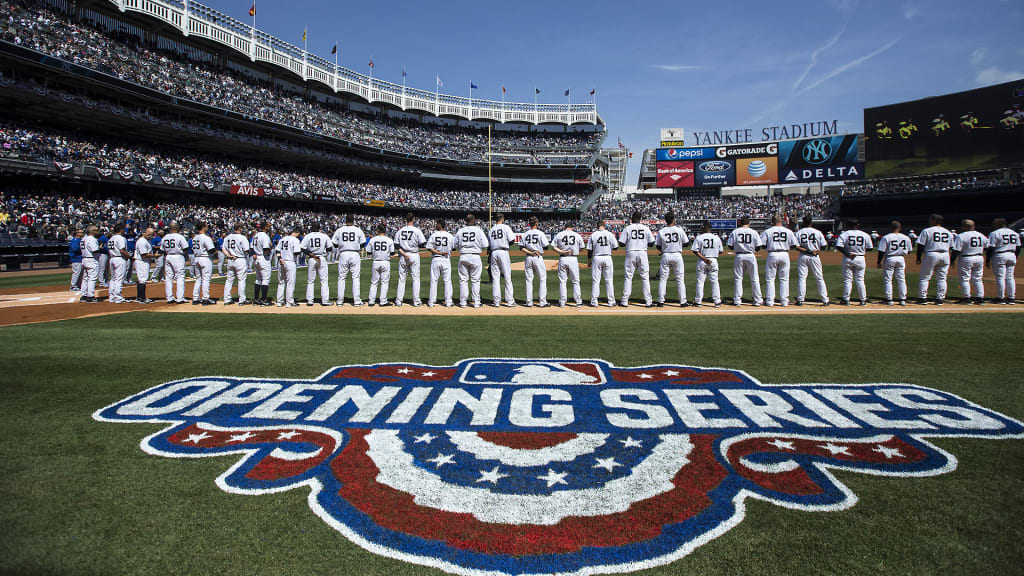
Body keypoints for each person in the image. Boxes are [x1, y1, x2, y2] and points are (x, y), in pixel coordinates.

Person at [619, 212, 655, 307]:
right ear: (640, 218)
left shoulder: (628, 228)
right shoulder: (646, 228)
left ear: (632, 218)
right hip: (642, 253)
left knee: (628, 277)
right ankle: (648, 301)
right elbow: (652, 243)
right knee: (645, 277)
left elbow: (621, 244)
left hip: (631, 252)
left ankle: (624, 301)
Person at [916, 214, 953, 305]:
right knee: (942, 278)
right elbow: (952, 247)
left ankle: (923, 298)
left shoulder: (927, 231)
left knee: (925, 278)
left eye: (930, 220)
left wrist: (918, 257)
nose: (929, 221)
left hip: (931, 253)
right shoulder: (948, 232)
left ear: (934, 220)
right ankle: (940, 299)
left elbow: (921, 245)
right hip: (945, 254)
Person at [761, 215, 797, 307]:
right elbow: (794, 245)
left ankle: (770, 301)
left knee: (770, 279)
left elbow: (763, 245)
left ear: (772, 222)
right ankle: (784, 301)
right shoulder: (789, 231)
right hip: (784, 253)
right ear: (781, 221)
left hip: (772, 254)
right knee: (784, 279)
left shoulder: (768, 231)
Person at [836, 219, 873, 306]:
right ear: (858, 225)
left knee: (848, 280)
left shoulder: (845, 234)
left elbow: (838, 246)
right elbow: (870, 248)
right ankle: (863, 300)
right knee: (860, 280)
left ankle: (846, 299)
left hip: (848, 258)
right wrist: (861, 250)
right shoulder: (865, 234)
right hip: (860, 257)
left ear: (849, 225)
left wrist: (848, 254)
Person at [454, 213, 488, 308]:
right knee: (475, 280)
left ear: (465, 221)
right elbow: (485, 244)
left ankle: (463, 302)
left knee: (463, 280)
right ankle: (476, 302)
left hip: (464, 255)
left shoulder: (460, 231)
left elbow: (454, 245)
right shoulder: (478, 230)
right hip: (475, 256)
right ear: (474, 220)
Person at [332, 215, 367, 306]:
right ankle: (356, 301)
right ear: (353, 221)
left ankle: (340, 301)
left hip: (343, 253)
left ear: (345, 220)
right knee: (355, 278)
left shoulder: (339, 230)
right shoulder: (358, 230)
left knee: (341, 277)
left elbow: (334, 244)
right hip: (355, 253)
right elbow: (363, 243)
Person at [727, 217, 763, 306]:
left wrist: (738, 247)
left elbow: (730, 246)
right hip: (750, 255)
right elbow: (758, 247)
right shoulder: (753, 232)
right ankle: (757, 300)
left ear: (740, 223)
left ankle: (737, 300)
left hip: (739, 255)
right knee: (754, 278)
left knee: (738, 278)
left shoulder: (735, 231)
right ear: (749, 223)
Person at [656, 213, 689, 307]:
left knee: (663, 279)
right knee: (680, 279)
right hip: (677, 255)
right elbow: (686, 243)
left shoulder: (661, 231)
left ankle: (660, 301)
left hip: (666, 255)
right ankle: (682, 301)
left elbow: (658, 245)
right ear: (673, 220)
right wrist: (676, 245)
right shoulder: (679, 230)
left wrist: (664, 249)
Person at [794, 216, 829, 306]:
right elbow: (824, 246)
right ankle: (825, 299)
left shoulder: (799, 232)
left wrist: (807, 250)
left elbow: (796, 246)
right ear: (811, 223)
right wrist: (815, 250)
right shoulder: (818, 232)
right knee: (819, 278)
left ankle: (800, 300)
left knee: (802, 278)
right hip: (814, 256)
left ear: (803, 223)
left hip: (803, 255)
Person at [951, 219, 988, 305]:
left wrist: (952, 260)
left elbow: (956, 250)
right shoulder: (981, 235)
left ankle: (966, 298)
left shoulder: (962, 235)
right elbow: (987, 246)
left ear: (964, 226)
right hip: (979, 257)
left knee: (964, 278)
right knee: (978, 279)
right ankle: (980, 298)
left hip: (966, 257)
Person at [394, 213, 427, 307]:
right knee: (415, 278)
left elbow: (396, 245)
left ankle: (398, 300)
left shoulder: (400, 231)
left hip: (403, 255)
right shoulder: (417, 230)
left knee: (402, 278)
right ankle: (416, 301)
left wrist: (403, 253)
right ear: (413, 219)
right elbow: (422, 244)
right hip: (414, 254)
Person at [876, 220, 912, 306]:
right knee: (901, 279)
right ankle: (903, 299)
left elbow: (881, 251)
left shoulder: (886, 237)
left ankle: (889, 299)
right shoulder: (906, 237)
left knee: (888, 279)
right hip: (901, 258)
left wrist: (879, 261)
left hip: (889, 258)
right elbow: (909, 251)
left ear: (891, 228)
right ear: (899, 228)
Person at [986, 218, 1020, 305]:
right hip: (1012, 254)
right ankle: (1011, 298)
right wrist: (1015, 256)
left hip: (1000, 255)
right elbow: (1018, 247)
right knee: (1010, 277)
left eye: (995, 224)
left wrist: (988, 259)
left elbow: (991, 248)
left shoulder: (994, 233)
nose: (993, 225)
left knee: (1000, 277)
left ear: (999, 224)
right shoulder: (1014, 233)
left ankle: (1000, 298)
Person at [691, 221, 723, 307]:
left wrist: (705, 259)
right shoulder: (716, 238)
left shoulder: (699, 237)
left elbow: (695, 250)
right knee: (714, 281)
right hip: (713, 260)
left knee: (700, 281)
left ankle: (698, 301)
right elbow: (720, 251)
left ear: (705, 227)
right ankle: (717, 301)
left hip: (702, 260)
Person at [520, 216, 551, 307]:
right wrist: (537, 249)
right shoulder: (540, 233)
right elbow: (546, 246)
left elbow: (521, 247)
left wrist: (530, 252)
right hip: (538, 257)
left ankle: (529, 302)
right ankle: (542, 301)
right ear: (536, 223)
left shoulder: (525, 233)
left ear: (529, 223)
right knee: (542, 279)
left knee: (529, 280)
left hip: (529, 257)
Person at [552, 222, 584, 307]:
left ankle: (562, 302)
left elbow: (554, 247)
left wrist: (563, 251)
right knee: (575, 281)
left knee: (562, 281)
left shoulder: (559, 234)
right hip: (573, 258)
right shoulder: (577, 235)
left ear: (565, 227)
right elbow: (582, 248)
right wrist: (575, 250)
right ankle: (578, 301)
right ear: (572, 227)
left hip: (563, 258)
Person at [586, 220, 617, 307]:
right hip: (607, 257)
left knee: (596, 281)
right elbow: (616, 246)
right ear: (605, 226)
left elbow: (589, 249)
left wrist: (589, 260)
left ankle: (594, 301)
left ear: (597, 226)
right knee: (609, 280)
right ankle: (611, 301)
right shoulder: (610, 234)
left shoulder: (594, 234)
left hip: (597, 257)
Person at [488, 213, 516, 307]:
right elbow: (512, 241)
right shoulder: (505, 227)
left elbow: (489, 244)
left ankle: (496, 302)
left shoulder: (491, 230)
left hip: (494, 253)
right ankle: (510, 301)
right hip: (503, 252)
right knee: (507, 276)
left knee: (495, 278)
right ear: (502, 219)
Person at [301, 222, 332, 306]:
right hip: (321, 257)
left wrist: (312, 255)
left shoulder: (308, 236)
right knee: (324, 280)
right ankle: (325, 300)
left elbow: (302, 248)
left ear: (312, 228)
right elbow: (330, 248)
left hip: (312, 258)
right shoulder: (324, 236)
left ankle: (310, 300)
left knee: (311, 281)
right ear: (319, 228)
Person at [426, 220, 455, 307]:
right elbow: (453, 248)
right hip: (446, 259)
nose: (435, 225)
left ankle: (431, 301)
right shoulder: (449, 235)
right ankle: (449, 301)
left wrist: (439, 252)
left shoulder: (434, 235)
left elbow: (429, 248)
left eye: (436, 224)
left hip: (436, 259)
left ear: (440, 225)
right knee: (447, 280)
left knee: (434, 280)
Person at [222, 223, 252, 306]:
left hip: (230, 259)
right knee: (241, 279)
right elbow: (246, 250)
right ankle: (242, 299)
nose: (242, 229)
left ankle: (226, 299)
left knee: (229, 280)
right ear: (239, 228)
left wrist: (230, 256)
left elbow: (223, 249)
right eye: (242, 228)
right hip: (240, 259)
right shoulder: (242, 237)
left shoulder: (227, 237)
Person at [366, 224, 396, 307]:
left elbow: (368, 251)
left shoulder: (373, 239)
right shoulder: (389, 240)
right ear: (385, 230)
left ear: (378, 230)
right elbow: (392, 253)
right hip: (385, 262)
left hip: (376, 261)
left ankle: (371, 301)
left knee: (374, 282)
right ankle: (383, 301)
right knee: (384, 282)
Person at [161, 223, 189, 304]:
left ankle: (169, 297)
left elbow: (162, 250)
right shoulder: (180, 237)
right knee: (180, 276)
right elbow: (186, 248)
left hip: (168, 256)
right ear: (177, 228)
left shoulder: (165, 237)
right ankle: (180, 298)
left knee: (169, 277)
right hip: (178, 256)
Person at [190, 222, 216, 306]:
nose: (207, 227)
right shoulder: (206, 237)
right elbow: (211, 250)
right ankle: (205, 298)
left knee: (198, 279)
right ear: (203, 227)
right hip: (205, 258)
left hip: (196, 258)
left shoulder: (194, 237)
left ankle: (195, 298)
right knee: (206, 279)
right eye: (206, 226)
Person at [275, 227, 302, 307]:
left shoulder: (282, 239)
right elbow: (297, 252)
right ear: (297, 233)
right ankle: (289, 302)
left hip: (281, 261)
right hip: (290, 262)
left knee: (281, 282)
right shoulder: (295, 240)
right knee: (290, 283)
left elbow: (277, 251)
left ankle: (279, 301)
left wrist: (280, 258)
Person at [106, 224, 130, 304]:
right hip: (119, 258)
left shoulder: (111, 238)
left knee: (113, 278)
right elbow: (122, 250)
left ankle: (112, 296)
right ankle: (118, 297)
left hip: (112, 258)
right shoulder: (120, 238)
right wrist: (129, 256)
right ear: (121, 230)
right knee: (119, 278)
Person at [251, 222, 274, 306]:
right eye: (269, 226)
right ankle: (264, 300)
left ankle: (256, 299)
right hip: (263, 258)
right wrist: (270, 249)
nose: (270, 228)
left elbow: (251, 248)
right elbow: (266, 250)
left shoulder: (256, 235)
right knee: (265, 279)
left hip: (257, 258)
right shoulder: (264, 236)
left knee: (258, 279)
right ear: (264, 227)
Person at [133, 227, 157, 304]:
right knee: (142, 279)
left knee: (143, 279)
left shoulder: (147, 240)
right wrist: (154, 256)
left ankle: (140, 297)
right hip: (141, 261)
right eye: (149, 234)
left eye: (152, 235)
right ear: (145, 233)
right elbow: (144, 254)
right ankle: (141, 298)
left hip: (144, 261)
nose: (150, 236)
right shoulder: (142, 241)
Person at [79, 225, 101, 303]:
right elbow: (94, 250)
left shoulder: (83, 239)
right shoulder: (92, 239)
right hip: (91, 259)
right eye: (95, 230)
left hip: (85, 259)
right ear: (91, 231)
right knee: (92, 278)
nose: (97, 231)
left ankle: (83, 295)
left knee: (85, 278)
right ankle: (90, 296)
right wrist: (101, 248)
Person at [69, 228, 83, 293]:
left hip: (80, 258)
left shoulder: (79, 240)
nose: (82, 233)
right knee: (76, 272)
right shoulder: (75, 240)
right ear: (77, 233)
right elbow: (75, 249)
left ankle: (78, 285)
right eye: (81, 232)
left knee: (80, 273)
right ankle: (73, 286)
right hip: (76, 258)